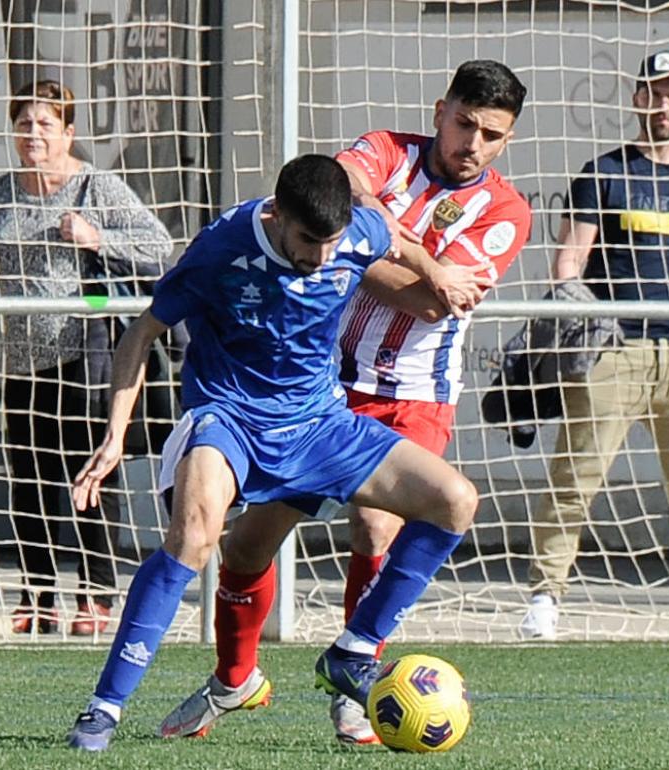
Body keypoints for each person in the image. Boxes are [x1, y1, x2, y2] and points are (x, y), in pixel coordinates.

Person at [157, 59, 531, 745]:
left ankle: (355, 674)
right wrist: (389, 253)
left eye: (493, 135)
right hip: (322, 387)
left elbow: (427, 305)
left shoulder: (506, 212)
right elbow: (335, 186)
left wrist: (361, 247)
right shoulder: (388, 149)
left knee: (376, 528)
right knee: (245, 548)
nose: (473, 143)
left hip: (415, 394)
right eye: (465, 124)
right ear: (441, 108)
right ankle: (233, 680)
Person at [64, 154, 488, 752]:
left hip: (318, 424)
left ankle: (353, 652)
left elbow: (387, 231)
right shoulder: (222, 247)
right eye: (309, 241)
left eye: (332, 242)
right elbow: (142, 332)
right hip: (228, 417)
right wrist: (113, 437)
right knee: (194, 537)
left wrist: (436, 272)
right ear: (278, 214)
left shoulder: (355, 232)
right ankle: (103, 710)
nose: (321, 257)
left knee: (455, 501)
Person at [520, 51, 669, 641]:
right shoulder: (603, 173)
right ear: (636, 99)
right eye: (652, 91)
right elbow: (569, 261)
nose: (663, 103)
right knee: (575, 476)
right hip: (615, 351)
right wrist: (574, 326)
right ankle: (546, 596)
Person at [0, 80, 174, 636]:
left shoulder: (95, 188)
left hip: (84, 356)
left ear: (68, 132)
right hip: (22, 358)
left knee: (87, 477)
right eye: (24, 123)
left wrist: (95, 238)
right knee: (30, 481)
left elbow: (159, 246)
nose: (32, 134)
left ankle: (95, 595)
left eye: (44, 123)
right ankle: (35, 596)